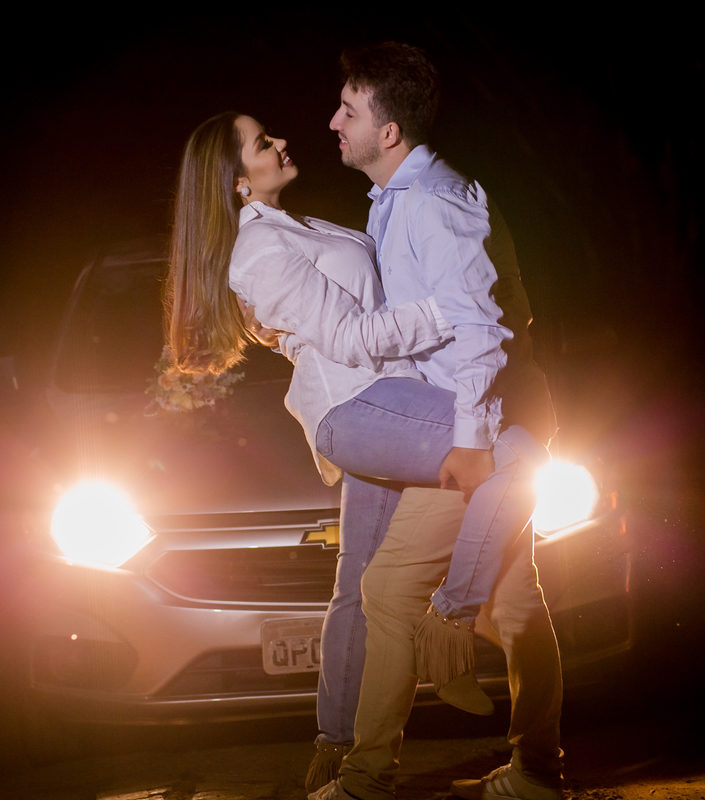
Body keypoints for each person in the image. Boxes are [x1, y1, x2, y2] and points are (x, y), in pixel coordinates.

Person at [165, 109, 539, 747]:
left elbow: (342, 315)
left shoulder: (298, 226)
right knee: (516, 454)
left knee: (357, 584)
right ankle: (450, 623)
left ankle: (338, 753)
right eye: (263, 143)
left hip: (389, 397)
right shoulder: (257, 249)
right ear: (235, 181)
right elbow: (347, 337)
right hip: (360, 406)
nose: (282, 142)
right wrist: (451, 306)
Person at [300, 42, 564, 800]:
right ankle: (537, 770)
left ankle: (365, 778)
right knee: (516, 601)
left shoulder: (433, 204)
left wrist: (470, 444)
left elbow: (482, 331)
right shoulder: (399, 199)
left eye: (348, 111)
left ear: (388, 131)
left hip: (474, 432)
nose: (333, 122)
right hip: (478, 425)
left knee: (386, 593)